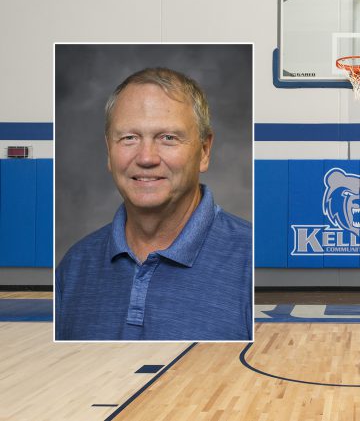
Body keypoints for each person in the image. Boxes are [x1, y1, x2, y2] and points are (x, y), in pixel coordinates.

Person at [55, 67, 252, 341]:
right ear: (109, 153)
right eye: (129, 138)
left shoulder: (251, 262)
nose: (146, 157)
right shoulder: (75, 267)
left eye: (168, 138)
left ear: (204, 151)